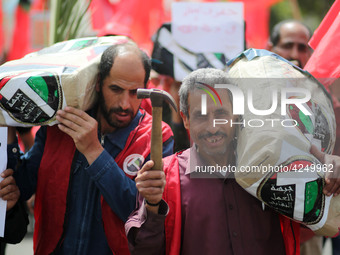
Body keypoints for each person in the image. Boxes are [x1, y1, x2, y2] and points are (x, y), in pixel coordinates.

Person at [7, 42, 174, 255]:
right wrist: (9, 128)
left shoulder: (157, 137)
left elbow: (141, 216)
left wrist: (94, 152)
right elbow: (23, 184)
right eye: (116, 89)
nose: (125, 103)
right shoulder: (61, 125)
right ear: (97, 84)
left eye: (135, 92)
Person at [126, 68, 302, 254]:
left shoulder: (270, 163)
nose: (212, 128)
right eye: (201, 116)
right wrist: (153, 206)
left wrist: (328, 167)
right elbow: (144, 250)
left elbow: (315, 216)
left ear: (236, 114)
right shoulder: (165, 179)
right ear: (185, 120)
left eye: (221, 114)